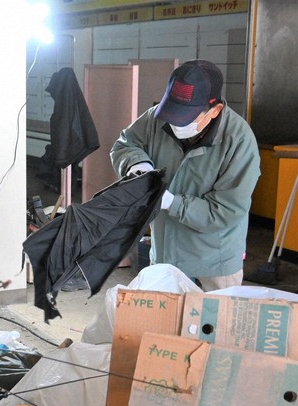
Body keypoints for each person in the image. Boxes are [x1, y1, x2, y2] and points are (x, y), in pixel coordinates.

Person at [110, 59, 260, 291]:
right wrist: (137, 164)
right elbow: (125, 144)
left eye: (185, 118)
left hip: (215, 260)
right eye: (172, 114)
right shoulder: (155, 118)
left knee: (215, 324)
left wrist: (171, 202)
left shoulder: (239, 141)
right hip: (166, 251)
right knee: (160, 324)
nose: (176, 124)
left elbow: (226, 211)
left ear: (215, 110)